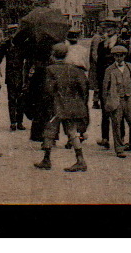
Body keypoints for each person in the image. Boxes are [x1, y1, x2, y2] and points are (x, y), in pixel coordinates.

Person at [35, 42, 90, 171]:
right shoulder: (74, 69)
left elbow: (48, 90)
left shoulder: (50, 70)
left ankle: (46, 159)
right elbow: (83, 88)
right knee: (72, 132)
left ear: (53, 55)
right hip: (70, 107)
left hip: (56, 106)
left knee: (49, 132)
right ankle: (80, 160)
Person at [90, 19, 119, 148]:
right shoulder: (102, 44)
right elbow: (98, 62)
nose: (108, 31)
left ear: (115, 31)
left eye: (110, 29)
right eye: (106, 29)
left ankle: (120, 138)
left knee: (120, 111)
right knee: (105, 111)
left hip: (118, 81)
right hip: (104, 81)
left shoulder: (121, 44)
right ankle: (105, 138)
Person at [0, 24, 26, 131]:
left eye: (15, 31)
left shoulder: (22, 44)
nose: (13, 34)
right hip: (10, 75)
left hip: (21, 75)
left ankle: (20, 122)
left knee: (21, 99)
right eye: (11, 32)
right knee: (11, 99)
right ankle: (13, 122)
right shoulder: (6, 44)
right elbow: (0, 57)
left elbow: (27, 58)